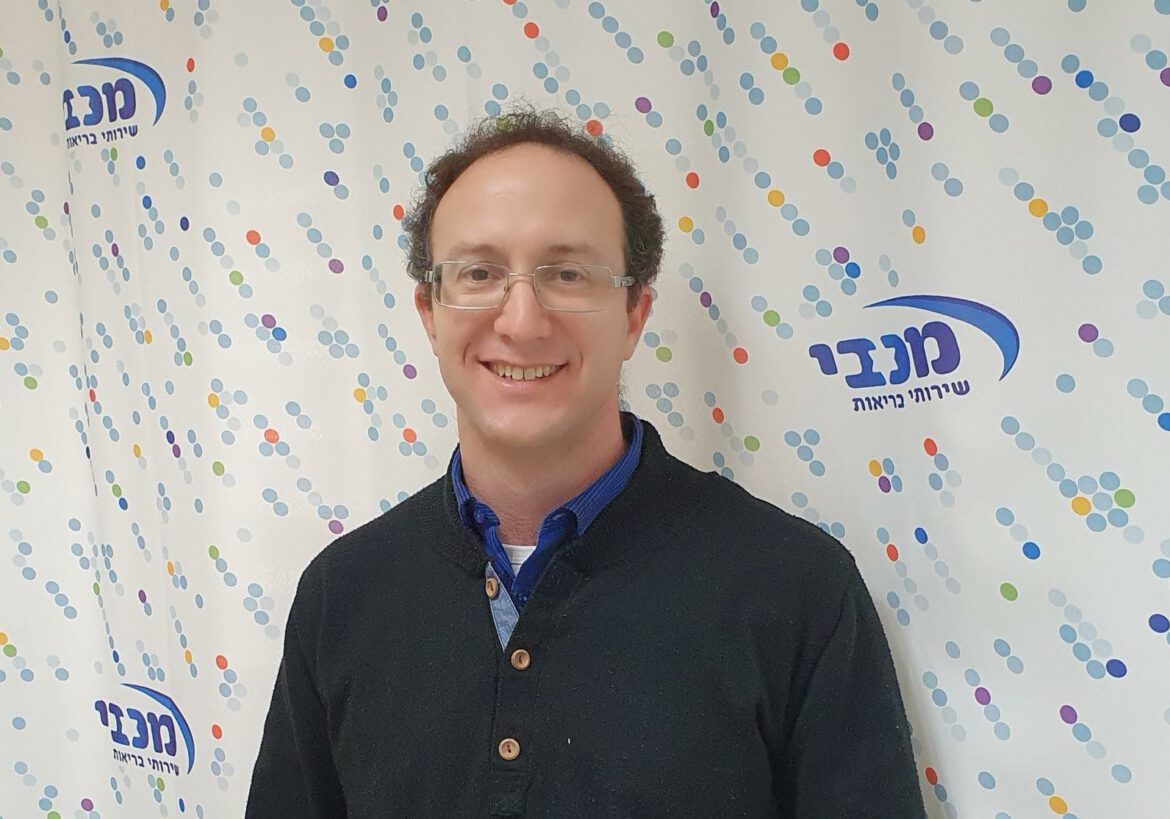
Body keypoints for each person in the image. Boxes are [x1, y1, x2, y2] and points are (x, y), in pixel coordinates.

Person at [246, 107, 925, 818]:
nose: (521, 320)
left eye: (568, 273)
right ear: (429, 311)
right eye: (478, 272)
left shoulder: (798, 590)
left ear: (634, 313)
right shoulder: (340, 595)